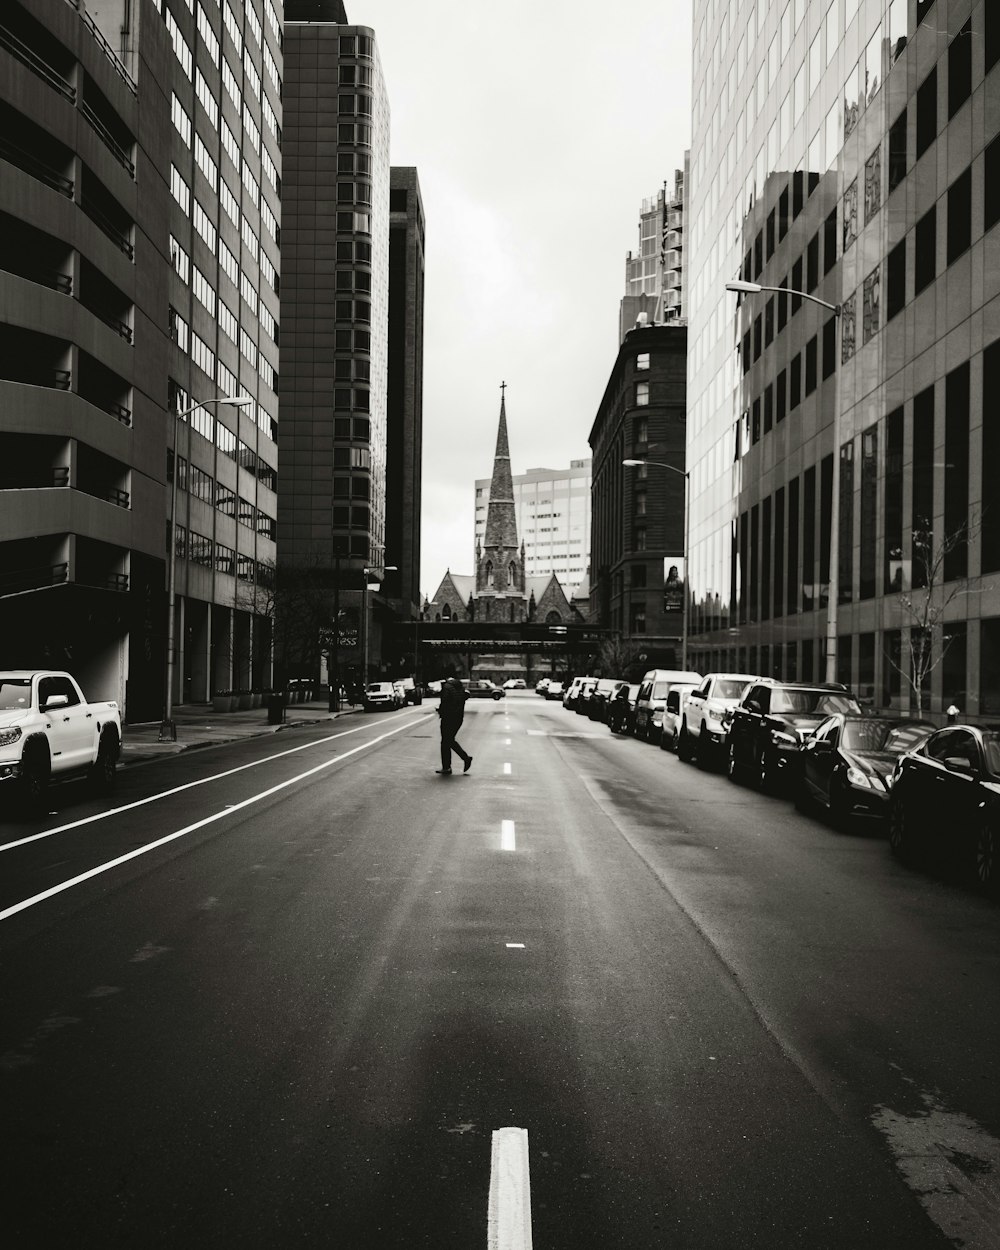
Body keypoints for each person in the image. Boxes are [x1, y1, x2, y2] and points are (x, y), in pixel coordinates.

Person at [436, 676, 472, 775]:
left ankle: (448, 766)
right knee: (449, 740)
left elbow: (445, 702)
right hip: (458, 718)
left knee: (445, 742)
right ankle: (463, 759)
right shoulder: (460, 687)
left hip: (448, 718)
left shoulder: (446, 687)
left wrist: (440, 710)